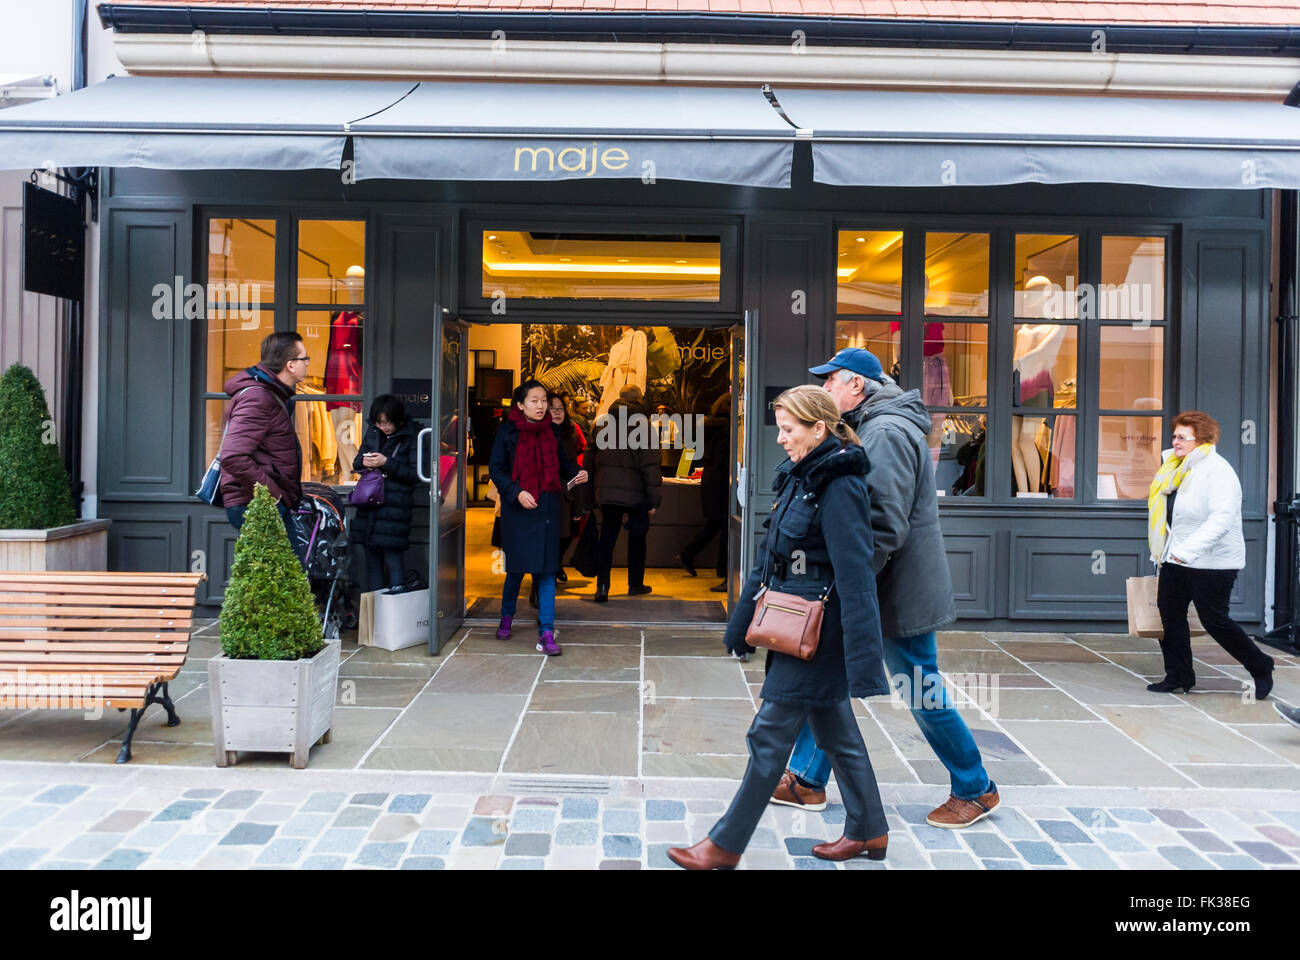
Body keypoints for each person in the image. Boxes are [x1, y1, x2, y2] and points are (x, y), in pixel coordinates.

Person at [668, 386, 891, 869]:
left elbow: (855, 574)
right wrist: (741, 621)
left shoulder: (840, 484)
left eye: (790, 430)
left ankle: (724, 846)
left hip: (820, 636)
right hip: (795, 625)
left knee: (768, 737)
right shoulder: (800, 476)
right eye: (781, 429)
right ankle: (870, 830)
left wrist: (865, 660)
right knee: (837, 735)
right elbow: (771, 560)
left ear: (819, 428)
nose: (782, 439)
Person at [779, 347, 999, 830]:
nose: (824, 389)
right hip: (879, 586)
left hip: (895, 591)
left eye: (831, 380)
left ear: (856, 384)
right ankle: (806, 779)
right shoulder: (871, 425)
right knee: (831, 676)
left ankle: (975, 787)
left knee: (919, 686)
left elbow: (881, 523)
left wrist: (846, 585)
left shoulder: (886, 431)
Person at [1147, 411, 1274, 698]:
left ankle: (1260, 665)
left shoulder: (1218, 471)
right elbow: (1171, 518)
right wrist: (1167, 554)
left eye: (1182, 437)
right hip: (1175, 558)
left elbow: (1221, 519)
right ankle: (1179, 675)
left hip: (1213, 562)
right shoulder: (1176, 469)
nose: (1174, 441)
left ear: (1201, 439)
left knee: (1215, 620)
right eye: (1174, 436)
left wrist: (1186, 553)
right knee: (1170, 617)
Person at [489, 379, 588, 655]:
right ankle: (506, 618)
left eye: (543, 400)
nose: (541, 406)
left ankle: (546, 631)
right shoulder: (507, 432)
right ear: (520, 405)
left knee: (546, 572)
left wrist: (577, 472)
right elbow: (496, 469)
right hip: (519, 508)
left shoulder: (553, 433)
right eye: (534, 400)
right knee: (516, 571)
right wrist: (516, 492)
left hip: (546, 507)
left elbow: (563, 464)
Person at [219, 331, 307, 552]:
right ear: (290, 365)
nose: (307, 363)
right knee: (279, 579)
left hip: (260, 502)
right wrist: (274, 496)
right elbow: (233, 456)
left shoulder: (269, 395)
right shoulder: (258, 398)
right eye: (304, 358)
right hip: (257, 504)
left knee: (278, 579)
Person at [590, 385, 661, 602]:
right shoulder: (644, 426)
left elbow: (590, 459)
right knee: (637, 537)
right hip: (636, 494)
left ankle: (602, 586)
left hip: (608, 491)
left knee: (607, 538)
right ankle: (635, 584)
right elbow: (650, 466)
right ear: (639, 400)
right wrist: (654, 499)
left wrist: (591, 491)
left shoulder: (602, 424)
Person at [351, 394, 419, 592]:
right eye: (380, 423)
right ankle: (376, 618)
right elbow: (356, 462)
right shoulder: (373, 433)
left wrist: (386, 463)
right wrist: (364, 462)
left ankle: (395, 617)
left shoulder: (412, 435)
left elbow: (416, 474)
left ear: (398, 419)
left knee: (393, 561)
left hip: (394, 510)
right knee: (372, 564)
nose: (384, 427)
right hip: (369, 508)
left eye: (388, 422)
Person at [676, 393, 731, 593]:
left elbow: (692, 448)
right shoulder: (727, 428)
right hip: (722, 479)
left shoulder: (706, 425)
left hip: (710, 478)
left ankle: (689, 554)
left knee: (716, 523)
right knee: (725, 524)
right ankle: (723, 570)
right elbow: (725, 456)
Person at [549, 391, 590, 588]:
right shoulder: (540, 433)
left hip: (570, 485)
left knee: (569, 531)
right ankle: (547, 573)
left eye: (560, 409)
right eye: (552, 409)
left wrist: (581, 472)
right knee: (551, 533)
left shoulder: (572, 429)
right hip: (547, 488)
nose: (557, 412)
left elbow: (580, 453)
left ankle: (555, 563)